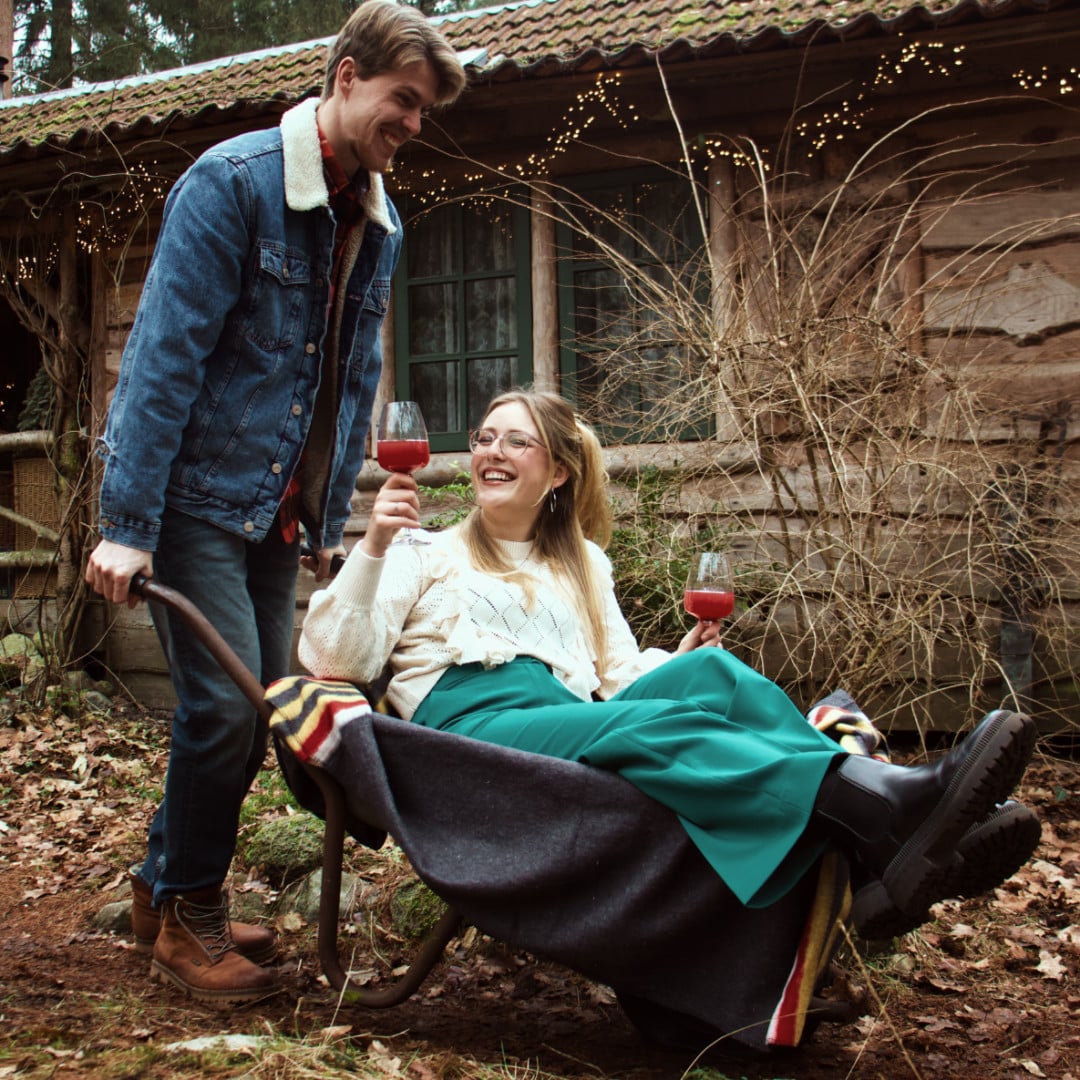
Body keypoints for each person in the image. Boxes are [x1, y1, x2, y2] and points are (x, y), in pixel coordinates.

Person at [299, 388, 1040, 941]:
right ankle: (888, 817)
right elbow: (331, 657)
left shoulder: (585, 565)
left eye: (515, 442)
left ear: (557, 472)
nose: (491, 451)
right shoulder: (420, 549)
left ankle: (884, 821)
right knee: (669, 724)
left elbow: (619, 679)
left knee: (708, 678)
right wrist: (371, 550)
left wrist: (678, 659)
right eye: (485, 437)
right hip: (469, 732)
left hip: (559, 717)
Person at [83, 0, 467, 1003]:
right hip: (196, 498)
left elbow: (347, 378)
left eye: (423, 111)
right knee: (223, 712)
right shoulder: (234, 185)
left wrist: (323, 517)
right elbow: (162, 361)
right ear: (345, 78)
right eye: (403, 100)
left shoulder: (373, 218)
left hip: (274, 512)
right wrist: (126, 526)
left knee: (260, 711)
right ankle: (188, 922)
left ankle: (162, 892)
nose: (412, 124)